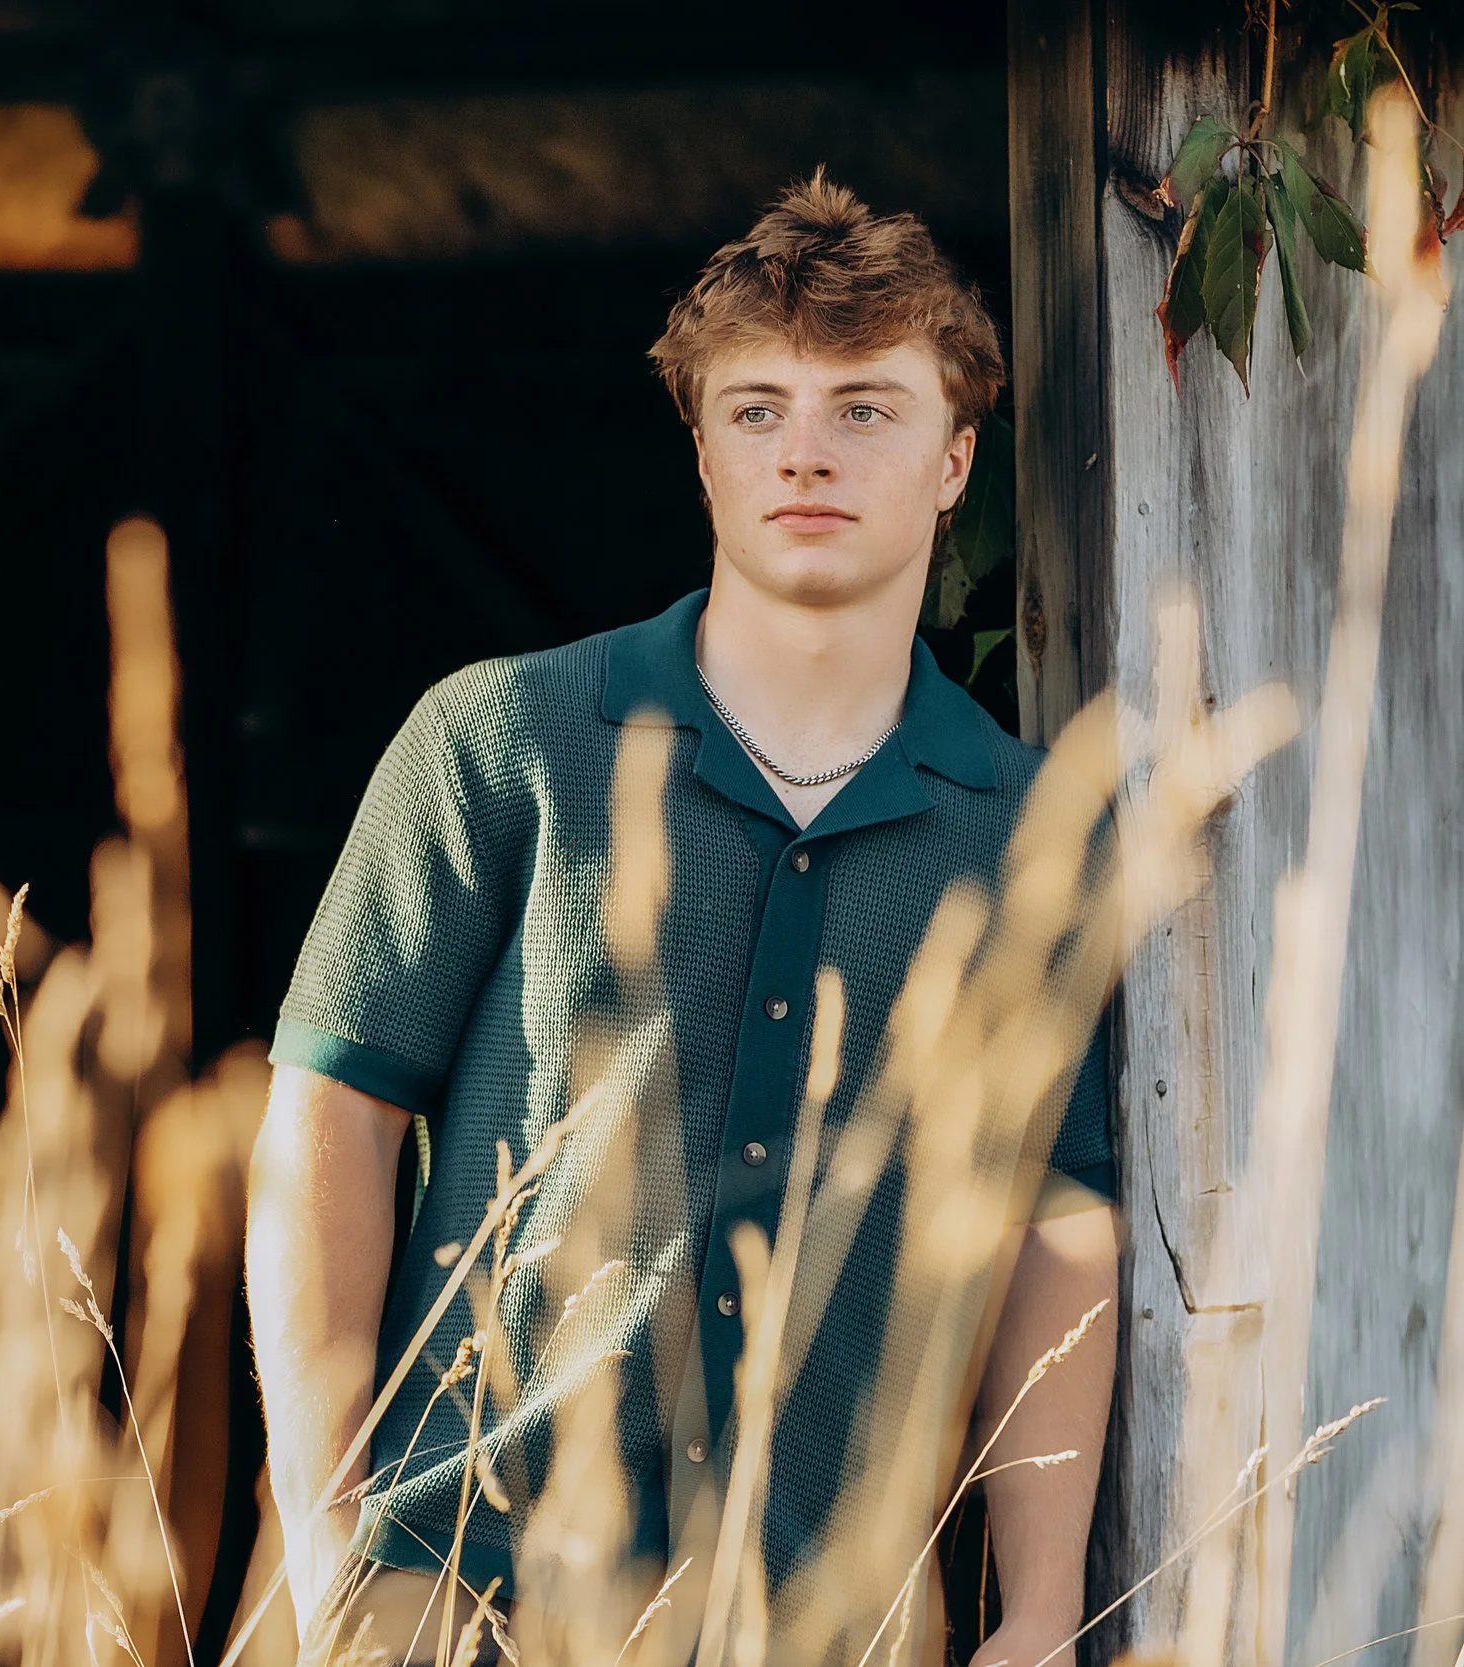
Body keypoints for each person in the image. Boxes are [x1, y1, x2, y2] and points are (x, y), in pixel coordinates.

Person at [243, 174, 1119, 1667]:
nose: (806, 452)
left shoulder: (1031, 829)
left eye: (865, 408)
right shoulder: (502, 738)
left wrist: (1035, 1614)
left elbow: (1056, 1225)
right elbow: (328, 1121)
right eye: (758, 408)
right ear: (702, 451)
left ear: (956, 459)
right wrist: (327, 1533)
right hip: (465, 1599)